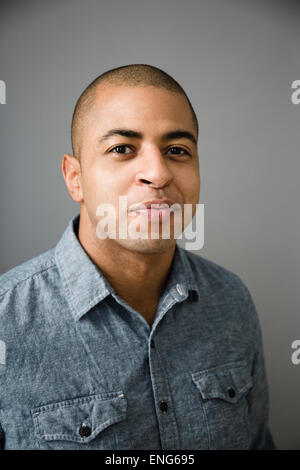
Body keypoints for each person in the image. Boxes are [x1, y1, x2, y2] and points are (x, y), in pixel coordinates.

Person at [0, 64, 276, 450]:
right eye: (122, 149)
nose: (158, 173)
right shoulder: (6, 321)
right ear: (74, 177)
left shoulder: (231, 300)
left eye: (177, 150)